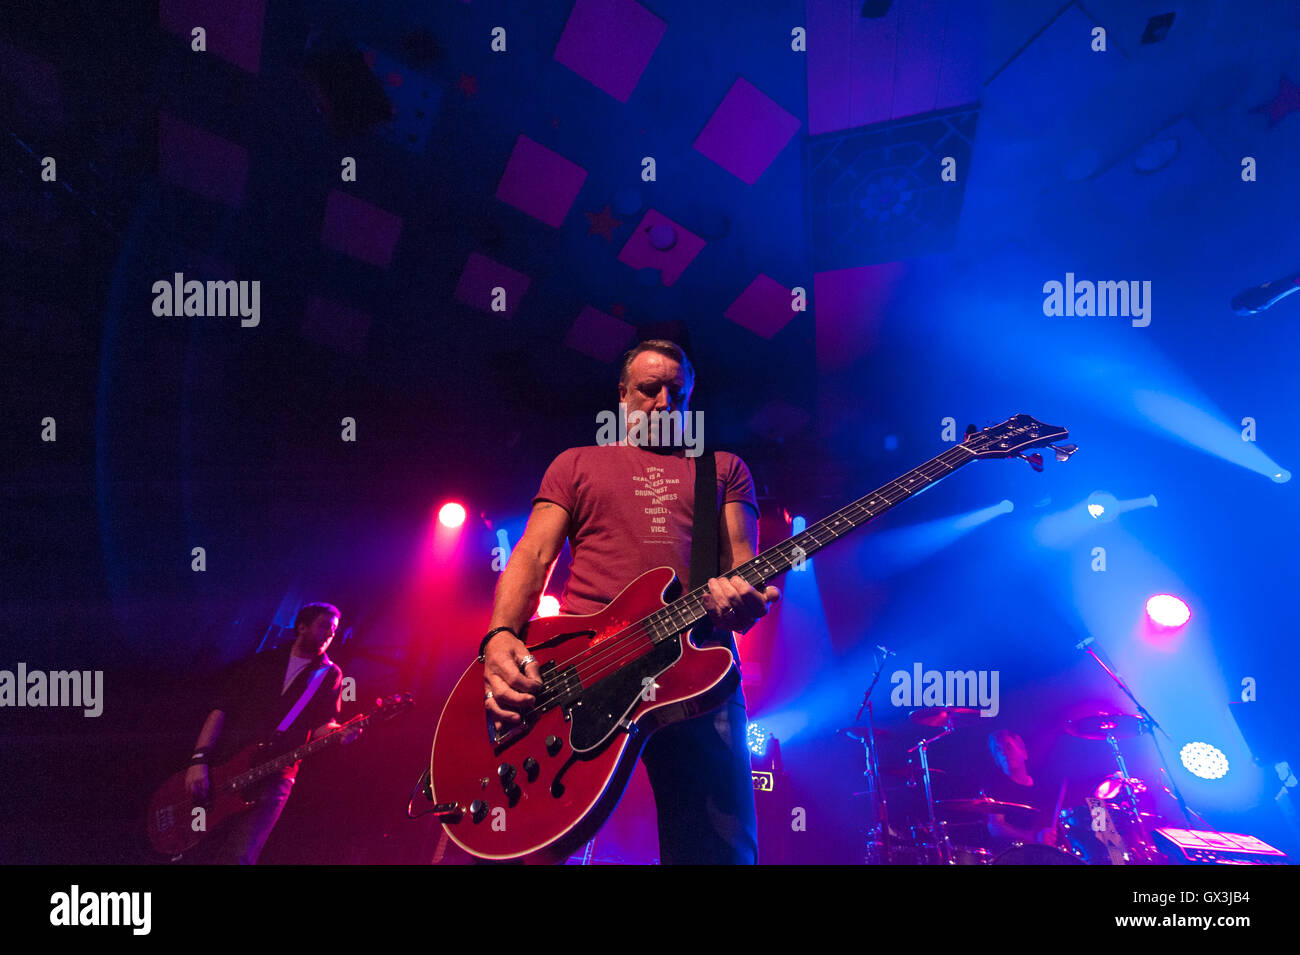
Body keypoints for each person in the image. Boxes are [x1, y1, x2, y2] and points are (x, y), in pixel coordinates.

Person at [480, 340, 780, 864]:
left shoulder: (724, 468)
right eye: (649, 390)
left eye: (677, 393)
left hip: (699, 672)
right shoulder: (575, 463)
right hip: (583, 669)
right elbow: (532, 554)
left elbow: (740, 568)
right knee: (541, 841)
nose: (664, 404)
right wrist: (501, 634)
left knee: (717, 849)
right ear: (622, 395)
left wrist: (743, 600)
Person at [184, 602, 351, 864]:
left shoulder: (330, 674)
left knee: (240, 855)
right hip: (228, 762)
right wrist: (199, 760)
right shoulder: (264, 661)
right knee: (195, 842)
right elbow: (221, 709)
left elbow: (322, 725)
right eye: (323, 626)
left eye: (333, 630)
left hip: (277, 774)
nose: (330, 634)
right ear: (302, 626)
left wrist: (339, 732)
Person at [983, 729, 1057, 848]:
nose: (1004, 753)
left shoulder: (1042, 786)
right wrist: (1034, 837)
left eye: (1008, 747)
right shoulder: (995, 787)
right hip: (1012, 855)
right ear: (996, 759)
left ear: (1023, 752)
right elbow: (995, 826)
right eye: (998, 750)